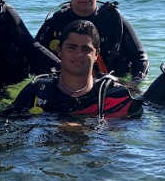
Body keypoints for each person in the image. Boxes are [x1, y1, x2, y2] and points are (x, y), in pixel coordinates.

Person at [36, 0, 148, 83]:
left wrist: (134, 86)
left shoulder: (114, 22)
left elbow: (141, 59)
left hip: (110, 85)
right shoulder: (55, 24)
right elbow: (34, 58)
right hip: (66, 87)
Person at [8, 20, 143, 117]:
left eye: (86, 49)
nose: (79, 54)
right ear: (59, 51)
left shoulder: (113, 93)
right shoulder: (37, 91)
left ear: (96, 54)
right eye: (71, 48)